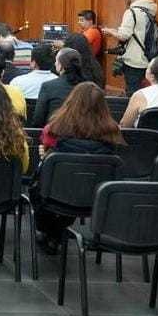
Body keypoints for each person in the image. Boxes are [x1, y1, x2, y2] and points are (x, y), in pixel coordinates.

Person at [32, 82, 125, 252]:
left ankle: (52, 232)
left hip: (56, 192)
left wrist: (47, 157)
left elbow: (46, 155)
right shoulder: (113, 133)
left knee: (39, 188)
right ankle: (57, 231)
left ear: (71, 101)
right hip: (96, 197)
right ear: (103, 106)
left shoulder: (53, 129)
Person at [101, 0, 158, 95]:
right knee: (147, 92)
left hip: (134, 60)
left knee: (132, 93)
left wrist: (110, 32)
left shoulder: (131, 12)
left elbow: (124, 36)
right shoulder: (150, 11)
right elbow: (138, 32)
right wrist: (115, 30)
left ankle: (134, 112)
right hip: (148, 57)